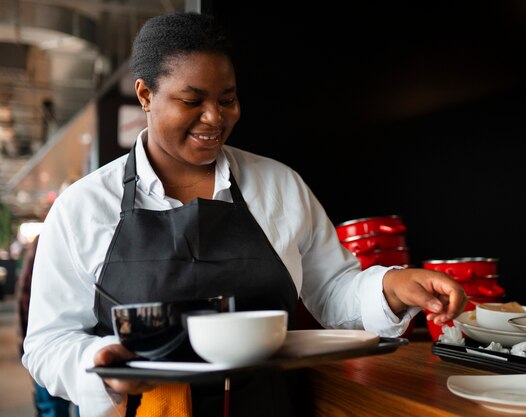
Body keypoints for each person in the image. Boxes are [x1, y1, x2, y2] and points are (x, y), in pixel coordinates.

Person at [22, 11, 466, 417]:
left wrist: (392, 285)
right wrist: (97, 366)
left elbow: (332, 290)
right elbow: (47, 343)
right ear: (145, 95)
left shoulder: (279, 185)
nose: (214, 117)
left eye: (228, 98)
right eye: (192, 100)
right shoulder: (83, 207)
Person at [16, 235, 80, 417]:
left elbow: (24, 295)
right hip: (49, 343)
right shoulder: (46, 239)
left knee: (56, 408)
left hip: (66, 341)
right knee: (57, 407)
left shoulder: (44, 240)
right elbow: (26, 295)